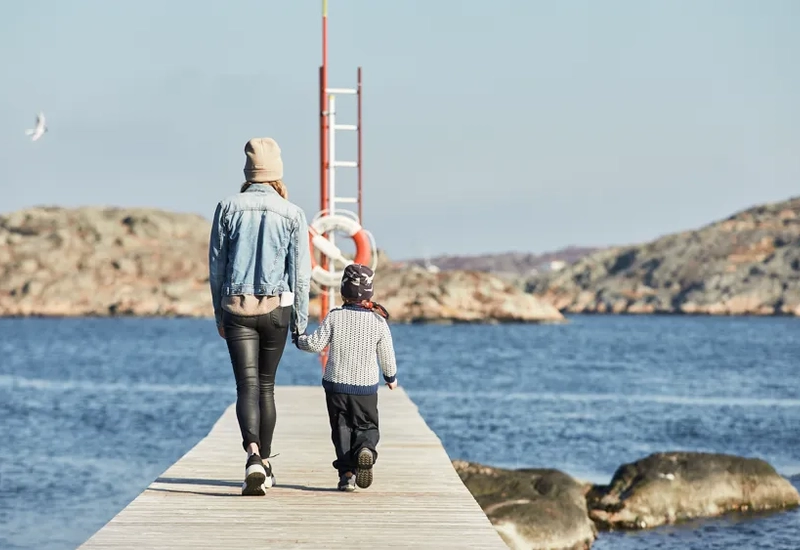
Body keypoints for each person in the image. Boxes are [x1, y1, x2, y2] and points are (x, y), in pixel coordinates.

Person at [208, 137, 311, 496]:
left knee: (246, 387)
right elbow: (300, 274)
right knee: (266, 387)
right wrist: (300, 322)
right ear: (277, 173)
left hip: (236, 308)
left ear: (248, 172)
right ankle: (264, 463)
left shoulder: (226, 206)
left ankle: (252, 455)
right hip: (276, 310)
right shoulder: (292, 212)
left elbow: (216, 267)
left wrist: (219, 314)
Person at [294, 264, 398, 492]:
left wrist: (298, 339)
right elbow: (387, 355)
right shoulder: (378, 322)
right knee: (367, 425)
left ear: (343, 291)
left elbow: (314, 344)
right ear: (369, 293)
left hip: (336, 386)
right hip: (365, 388)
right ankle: (366, 449)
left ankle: (346, 475)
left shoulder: (335, 317)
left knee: (341, 427)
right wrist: (390, 377)